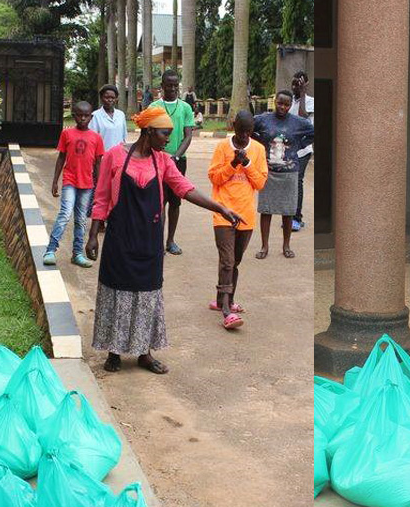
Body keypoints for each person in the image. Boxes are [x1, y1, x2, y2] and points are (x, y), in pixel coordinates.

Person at [86, 106, 244, 375]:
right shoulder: (115, 156)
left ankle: (144, 353)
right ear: (148, 132)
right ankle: (114, 351)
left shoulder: (163, 161)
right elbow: (101, 198)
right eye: (164, 134)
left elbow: (185, 189)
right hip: (119, 239)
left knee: (148, 294)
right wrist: (92, 236)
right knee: (116, 292)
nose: (168, 140)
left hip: (150, 241)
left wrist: (220, 208)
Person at [210, 111, 267, 330]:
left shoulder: (258, 149)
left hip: (246, 215)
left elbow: (260, 183)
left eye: (248, 132)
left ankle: (224, 299)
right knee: (227, 261)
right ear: (233, 127)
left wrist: (247, 163)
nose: (243, 136)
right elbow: (215, 178)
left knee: (235, 261)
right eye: (240, 131)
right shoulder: (222, 147)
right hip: (223, 213)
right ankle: (226, 310)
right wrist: (233, 163)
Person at [252, 91, 311, 259]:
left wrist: (299, 144)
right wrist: (260, 143)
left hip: (289, 173)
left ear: (290, 105)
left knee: (288, 210)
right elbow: (248, 127)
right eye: (280, 103)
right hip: (268, 172)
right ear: (275, 101)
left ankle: (286, 245)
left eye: (286, 104)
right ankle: (264, 246)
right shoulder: (263, 119)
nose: (282, 107)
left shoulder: (298, 122)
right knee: (266, 209)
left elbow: (313, 131)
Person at [147, 69, 199, 256]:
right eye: (168, 85)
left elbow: (188, 136)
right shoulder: (153, 107)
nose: (172, 88)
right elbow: (148, 134)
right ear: (162, 86)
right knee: (159, 202)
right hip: (156, 160)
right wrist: (160, 155)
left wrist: (175, 156)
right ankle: (157, 242)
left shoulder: (185, 107)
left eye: (175, 85)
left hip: (178, 160)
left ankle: (171, 241)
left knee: (175, 202)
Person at [47, 100, 104, 267]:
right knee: (65, 214)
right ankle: (50, 250)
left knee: (81, 219)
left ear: (91, 117)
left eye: (86, 116)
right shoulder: (67, 134)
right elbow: (61, 157)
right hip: (70, 180)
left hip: (87, 184)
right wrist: (55, 181)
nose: (83, 118)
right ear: (74, 116)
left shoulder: (96, 138)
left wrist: (99, 186)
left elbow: (98, 164)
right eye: (79, 115)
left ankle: (77, 253)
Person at [288, 71, 313, 229]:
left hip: (303, 149)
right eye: (293, 83)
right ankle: (289, 215)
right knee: (289, 181)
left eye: (298, 84)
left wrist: (303, 93)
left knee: (298, 180)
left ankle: (296, 218)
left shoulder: (310, 102)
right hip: (289, 149)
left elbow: (303, 118)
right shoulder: (289, 102)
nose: (294, 87)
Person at [89, 85, 127, 153]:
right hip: (103, 155)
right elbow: (92, 139)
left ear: (116, 99)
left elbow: (123, 138)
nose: (110, 100)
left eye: (113, 97)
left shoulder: (121, 115)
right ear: (101, 98)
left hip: (119, 155)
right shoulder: (95, 116)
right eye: (107, 97)